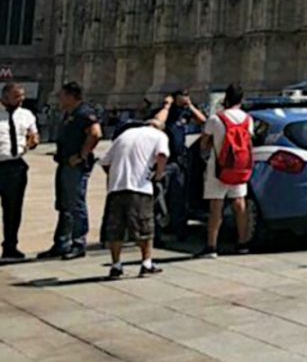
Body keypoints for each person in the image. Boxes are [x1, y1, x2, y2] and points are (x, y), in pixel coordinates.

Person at [99, 117, 169, 279]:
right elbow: (162, 155)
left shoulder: (124, 135)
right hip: (140, 187)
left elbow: (105, 162)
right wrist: (158, 175)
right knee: (145, 226)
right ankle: (146, 263)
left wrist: (115, 176)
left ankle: (116, 266)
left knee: (116, 229)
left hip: (116, 187)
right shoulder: (159, 136)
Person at [39, 82, 102, 261]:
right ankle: (61, 242)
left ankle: (78, 243)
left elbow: (95, 133)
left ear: (71, 96)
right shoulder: (70, 114)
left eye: (62, 95)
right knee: (64, 205)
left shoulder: (84, 113)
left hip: (76, 166)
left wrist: (82, 155)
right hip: (64, 164)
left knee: (76, 204)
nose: (59, 99)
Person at [198, 84, 252, 257]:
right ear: (241, 100)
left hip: (218, 168)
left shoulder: (216, 119)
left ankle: (212, 246)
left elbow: (204, 143)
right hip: (240, 167)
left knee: (216, 207)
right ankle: (243, 243)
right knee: (240, 204)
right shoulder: (247, 119)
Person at [0, 83, 39, 261]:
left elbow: (33, 135)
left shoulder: (26, 115)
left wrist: (32, 141)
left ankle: (10, 246)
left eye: (22, 96)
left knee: (13, 209)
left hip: (15, 166)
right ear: (5, 96)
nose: (21, 99)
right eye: (17, 96)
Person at [160, 91, 206, 237]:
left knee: (179, 195)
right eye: (182, 95)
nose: (185, 97)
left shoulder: (185, 113)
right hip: (166, 159)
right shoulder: (168, 112)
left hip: (180, 161)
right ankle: (162, 226)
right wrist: (167, 106)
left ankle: (179, 226)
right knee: (162, 196)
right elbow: (157, 123)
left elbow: (203, 121)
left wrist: (190, 105)